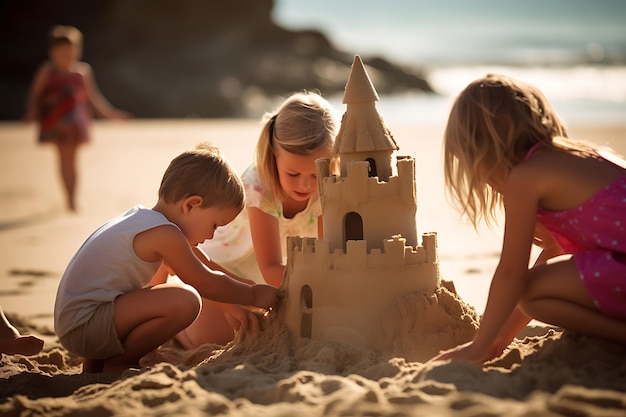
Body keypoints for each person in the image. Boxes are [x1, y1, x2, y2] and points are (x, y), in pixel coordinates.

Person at [434, 74, 626, 364]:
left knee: (530, 290)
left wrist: (477, 347)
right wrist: (502, 337)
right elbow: (554, 252)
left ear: (484, 149)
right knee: (533, 293)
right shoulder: (580, 156)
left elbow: (512, 273)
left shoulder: (526, 177)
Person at [54, 143, 279, 374]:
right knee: (186, 301)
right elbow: (206, 281)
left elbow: (207, 265)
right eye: (214, 225)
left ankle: (97, 367)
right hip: (86, 326)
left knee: (157, 294)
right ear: (192, 204)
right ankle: (120, 362)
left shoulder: (142, 221)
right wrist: (254, 295)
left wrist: (243, 296)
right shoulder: (165, 235)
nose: (211, 235)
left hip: (77, 322)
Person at [168, 91, 337, 348]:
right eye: (293, 173)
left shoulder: (328, 187)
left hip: (270, 284)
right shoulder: (259, 185)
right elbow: (270, 266)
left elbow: (328, 254)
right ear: (273, 155)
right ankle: (177, 332)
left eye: (315, 174)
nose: (305, 184)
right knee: (213, 338)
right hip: (224, 271)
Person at [23, 25, 129, 212]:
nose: (68, 56)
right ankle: (70, 199)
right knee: (64, 159)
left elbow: (94, 98)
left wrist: (110, 114)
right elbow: (35, 94)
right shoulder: (47, 71)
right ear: (52, 52)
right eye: (63, 52)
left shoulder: (82, 72)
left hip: (76, 124)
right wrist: (32, 112)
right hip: (55, 122)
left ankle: (72, 198)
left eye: (72, 52)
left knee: (72, 160)